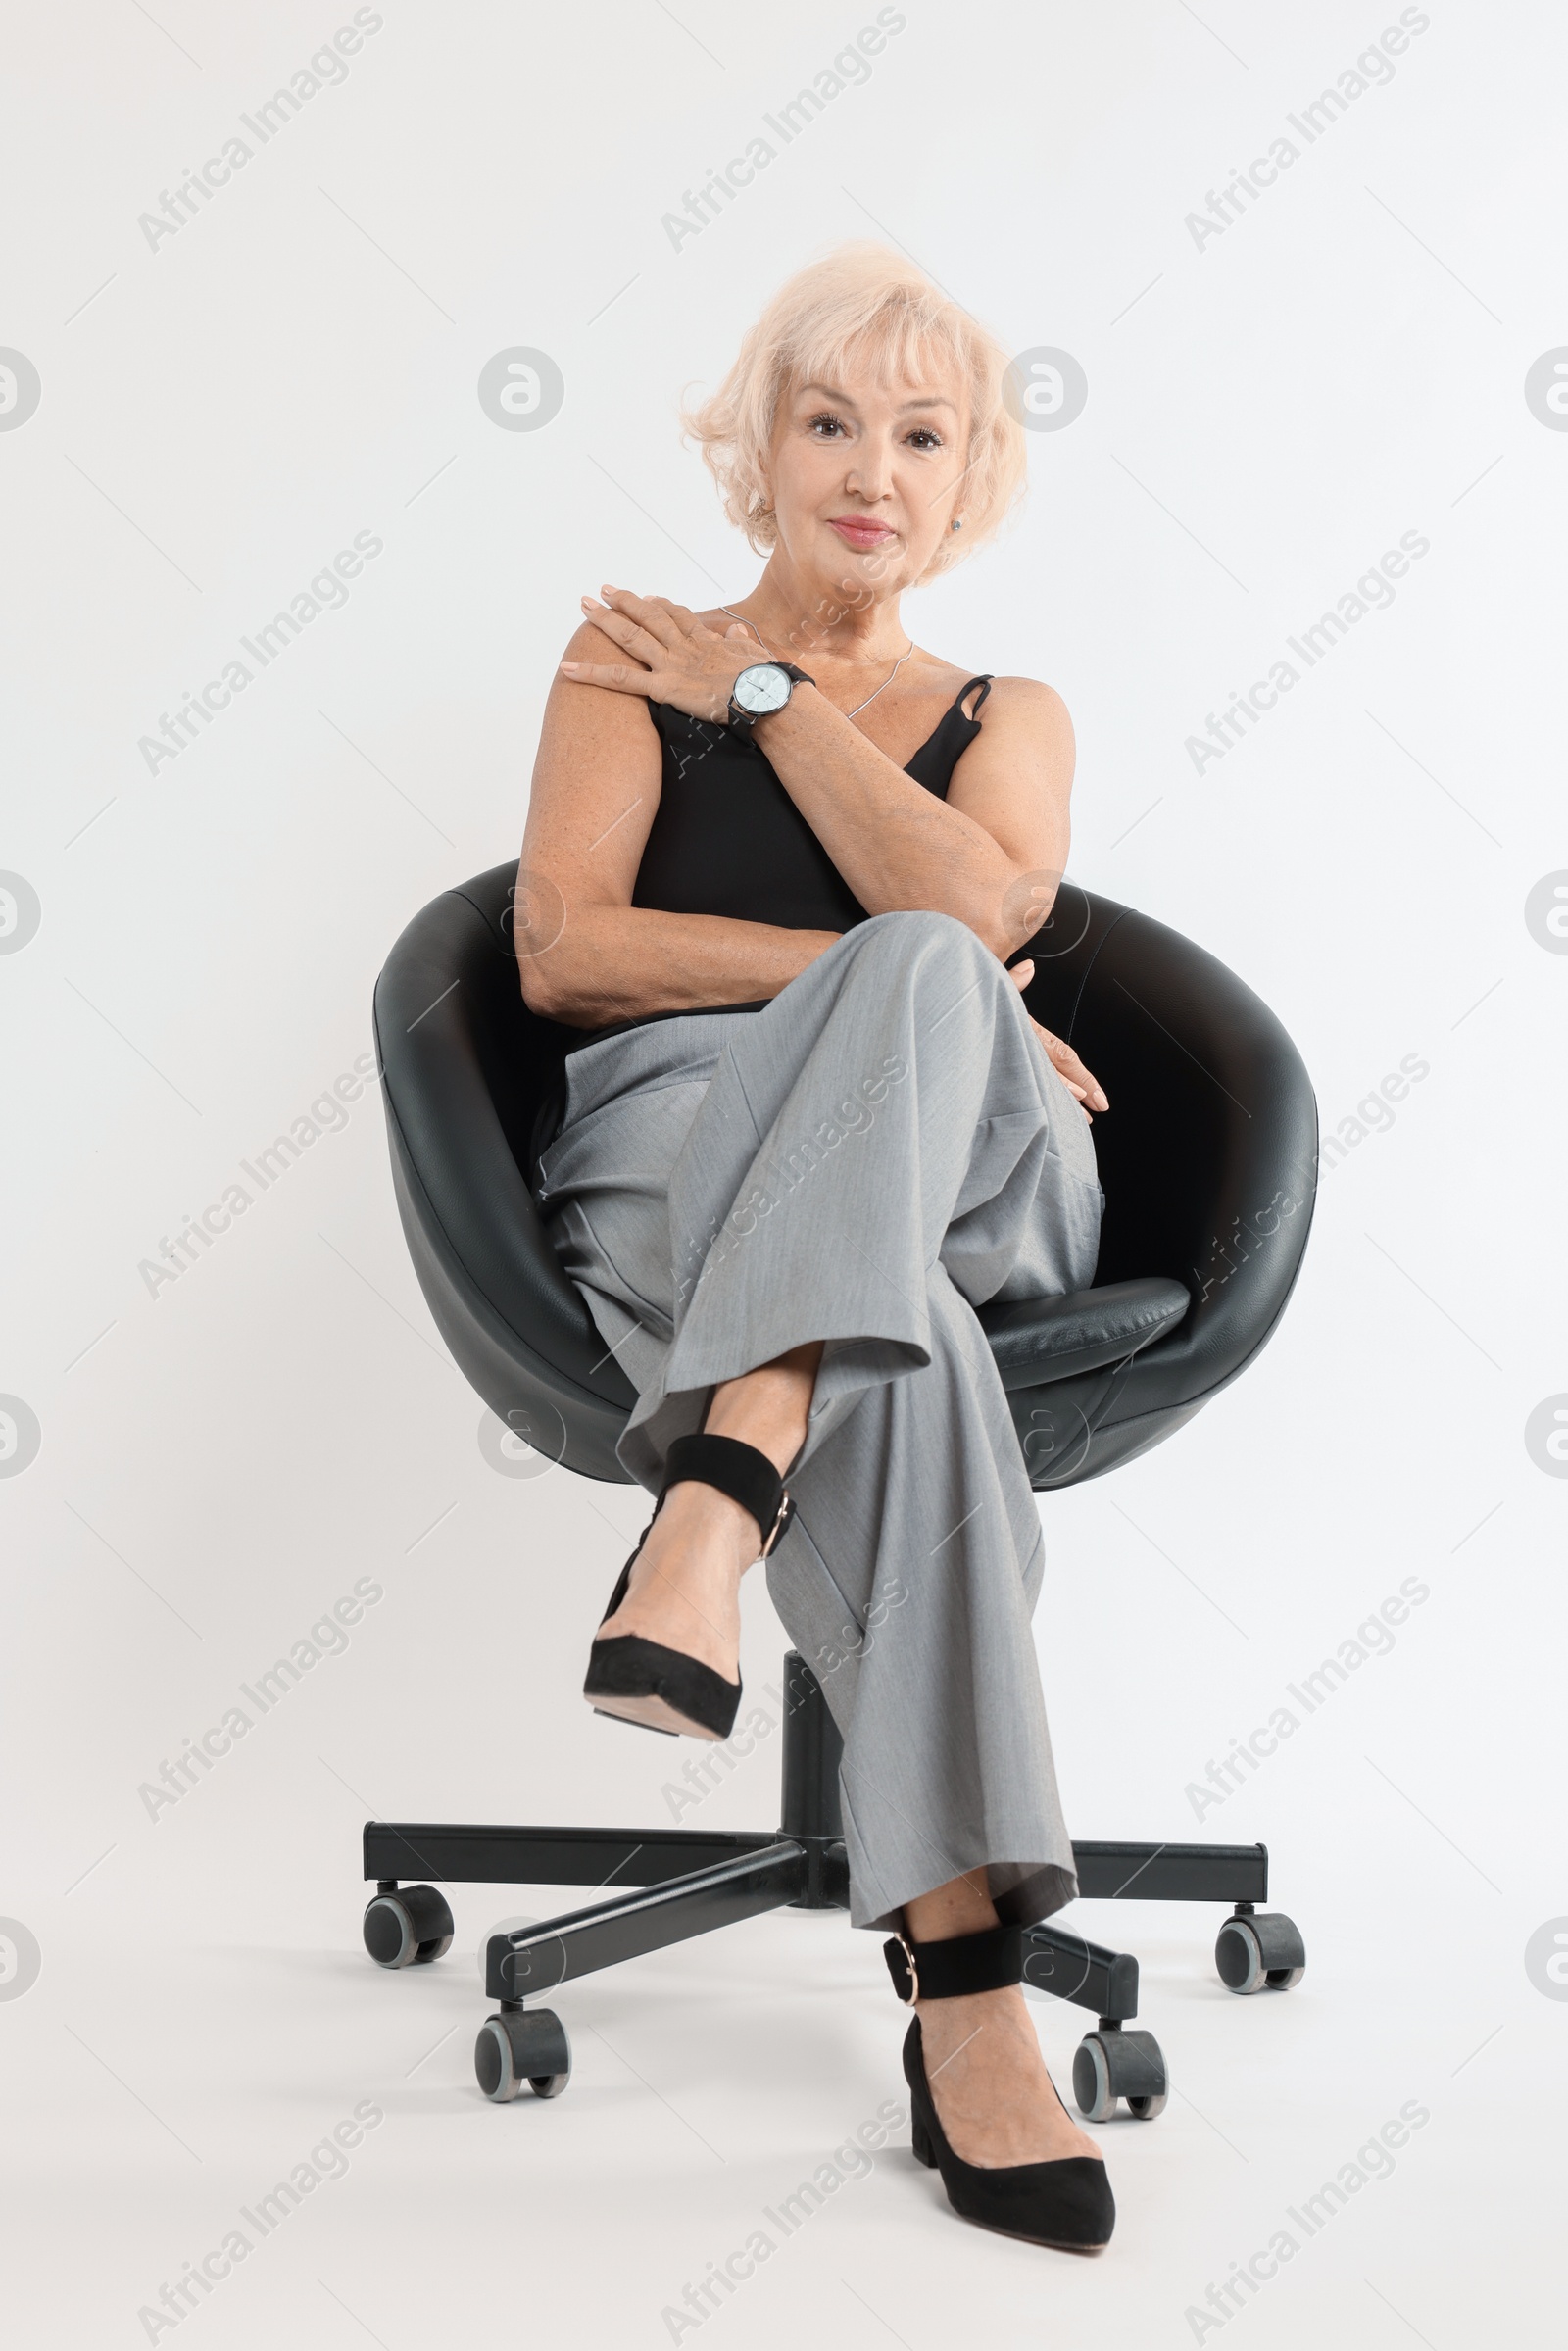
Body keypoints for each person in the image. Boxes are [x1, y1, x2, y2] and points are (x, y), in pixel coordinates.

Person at [517, 244, 1115, 2253]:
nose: (871, 468)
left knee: (938, 966)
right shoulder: (622, 655)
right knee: (907, 1342)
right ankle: (972, 2004)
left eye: (918, 435)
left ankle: (713, 1487)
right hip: (686, 1151)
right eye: (828, 421)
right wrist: (874, 991)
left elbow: (982, 906)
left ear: (966, 485)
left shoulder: (1004, 706)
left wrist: (769, 704)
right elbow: (564, 952)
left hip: (982, 1166)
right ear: (753, 451)